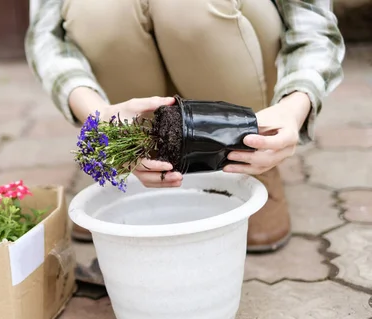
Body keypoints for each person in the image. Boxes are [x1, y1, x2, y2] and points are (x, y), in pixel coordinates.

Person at [25, 0, 345, 254]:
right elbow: (46, 36)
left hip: (230, 31)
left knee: (186, 5)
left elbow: (312, 24)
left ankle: (248, 161)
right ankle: (143, 153)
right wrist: (101, 118)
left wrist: (294, 107)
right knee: (95, 8)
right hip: (125, 50)